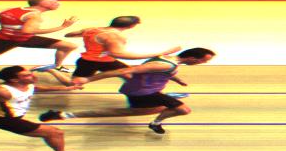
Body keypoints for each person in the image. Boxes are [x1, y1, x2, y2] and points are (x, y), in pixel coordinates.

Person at [39, 48, 215, 134]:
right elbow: (125, 71)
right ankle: (155, 123)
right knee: (182, 109)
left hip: (144, 90)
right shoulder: (164, 64)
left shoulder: (168, 60)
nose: (203, 63)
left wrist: (177, 79)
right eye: (203, 61)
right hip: (143, 93)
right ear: (192, 58)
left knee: (146, 109)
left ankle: (63, 115)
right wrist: (88, 79)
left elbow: (163, 72)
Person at [35, 16, 180, 79]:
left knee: (130, 75)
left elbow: (69, 34)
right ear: (131, 26)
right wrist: (161, 52)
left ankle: (150, 92)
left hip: (87, 60)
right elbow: (118, 54)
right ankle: (50, 69)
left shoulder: (93, 29)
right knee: (73, 85)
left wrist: (86, 35)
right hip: (101, 61)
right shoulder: (113, 36)